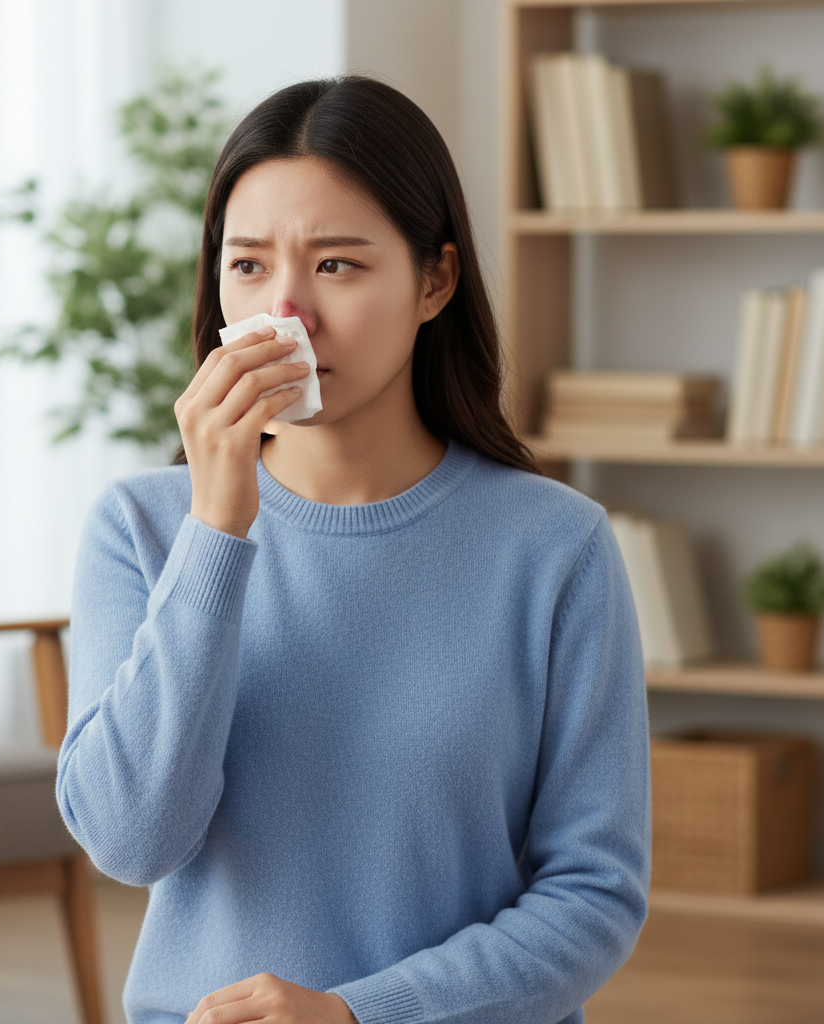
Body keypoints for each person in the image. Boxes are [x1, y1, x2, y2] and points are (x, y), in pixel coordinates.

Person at [56, 76, 650, 1024]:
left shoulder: (556, 548)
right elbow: (133, 842)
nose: (286, 314)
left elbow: (594, 898)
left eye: (336, 265)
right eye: (247, 266)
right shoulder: (141, 528)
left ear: (435, 280)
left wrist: (359, 1014)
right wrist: (217, 528)